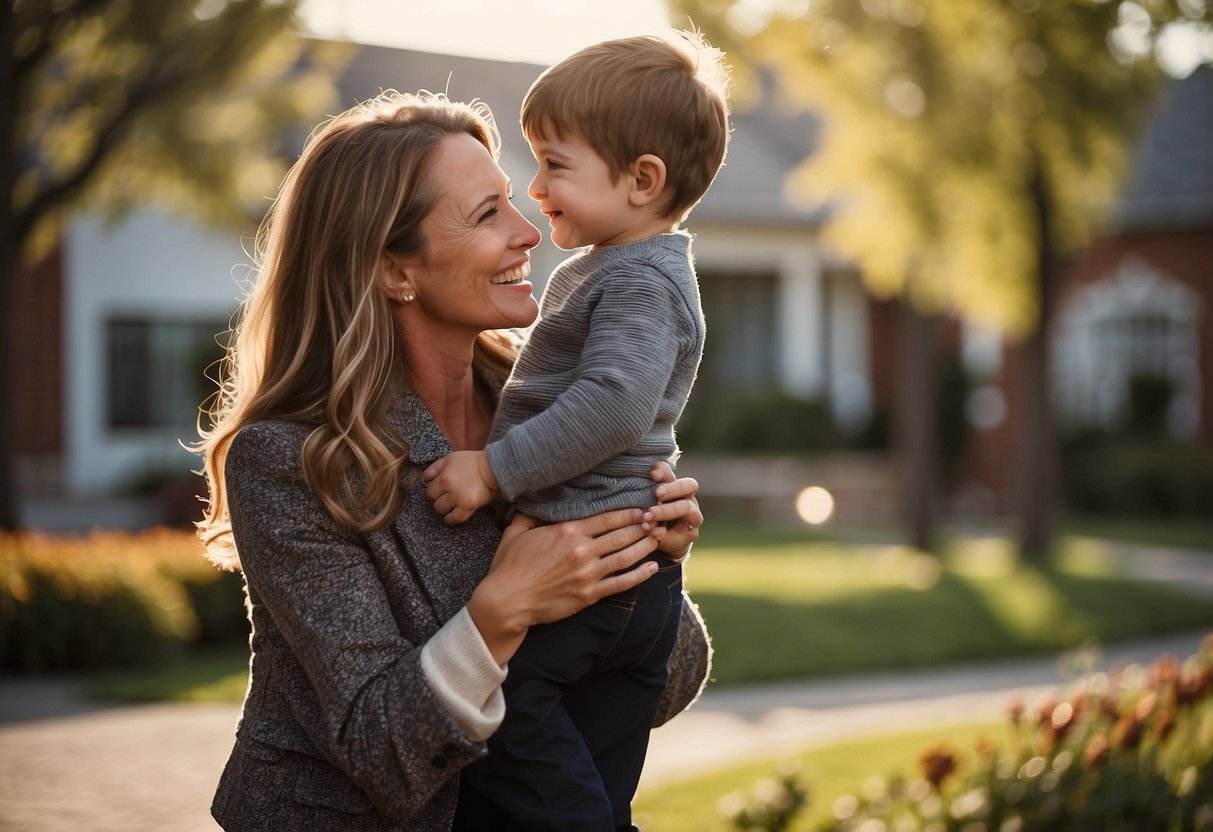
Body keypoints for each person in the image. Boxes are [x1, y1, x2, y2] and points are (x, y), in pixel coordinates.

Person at [193, 89, 710, 832]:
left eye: (511, 201)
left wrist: (649, 562)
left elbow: (662, 690)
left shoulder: (556, 415)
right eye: (487, 214)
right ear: (393, 270)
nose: (530, 232)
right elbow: (381, 748)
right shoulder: (288, 463)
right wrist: (502, 611)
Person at [422, 32, 730, 832]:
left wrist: (490, 473)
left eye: (555, 165)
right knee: (592, 782)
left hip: (597, 574)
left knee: (508, 713)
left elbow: (614, 407)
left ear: (641, 180)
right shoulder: (620, 270)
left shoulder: (636, 278)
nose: (536, 189)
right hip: (634, 583)